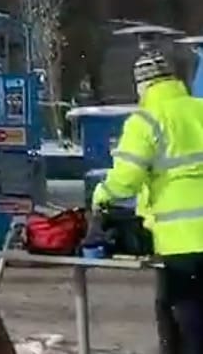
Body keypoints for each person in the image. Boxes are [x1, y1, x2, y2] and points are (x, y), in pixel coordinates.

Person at [90, 50, 203, 354]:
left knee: (185, 322)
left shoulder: (146, 121)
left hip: (181, 240)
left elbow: (126, 180)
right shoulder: (200, 109)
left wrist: (101, 195)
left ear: (142, 86)